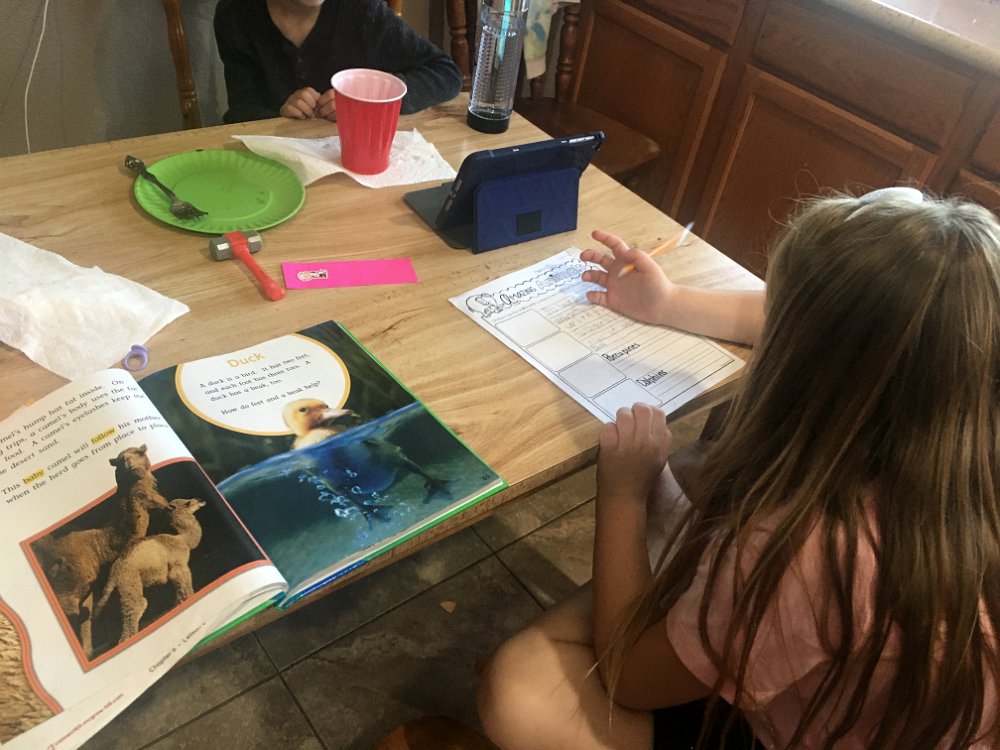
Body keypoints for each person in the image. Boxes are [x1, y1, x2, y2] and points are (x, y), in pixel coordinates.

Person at [475, 190, 1000, 749]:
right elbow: (815, 320)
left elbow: (630, 679)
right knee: (693, 477)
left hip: (785, 731)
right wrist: (668, 302)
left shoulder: (810, 550)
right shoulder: (960, 414)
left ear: (806, 363)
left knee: (516, 687)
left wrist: (622, 495)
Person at [214, 0, 463, 123]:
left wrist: (371, 99)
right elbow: (241, 111)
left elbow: (446, 73)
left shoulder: (363, 10)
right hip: (277, 167)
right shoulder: (236, 13)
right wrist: (280, 113)